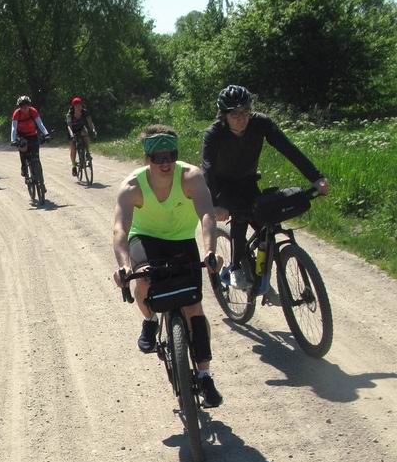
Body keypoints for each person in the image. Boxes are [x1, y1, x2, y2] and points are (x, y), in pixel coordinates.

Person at [112, 125, 223, 407]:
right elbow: (120, 231)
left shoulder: (191, 178)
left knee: (193, 307)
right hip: (146, 239)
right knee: (144, 279)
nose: (164, 163)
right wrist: (124, 266)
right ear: (146, 158)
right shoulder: (132, 187)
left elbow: (208, 216)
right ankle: (149, 321)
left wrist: (210, 251)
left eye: (170, 155)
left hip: (182, 240)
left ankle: (206, 376)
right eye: (157, 157)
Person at [201, 85, 329, 290]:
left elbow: (288, 149)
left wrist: (316, 178)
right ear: (223, 115)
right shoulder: (214, 134)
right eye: (235, 114)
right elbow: (207, 169)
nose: (242, 118)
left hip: (247, 180)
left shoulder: (261, 123)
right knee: (241, 214)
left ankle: (261, 277)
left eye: (245, 112)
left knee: (265, 222)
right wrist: (214, 205)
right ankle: (235, 267)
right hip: (221, 184)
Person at [10, 95, 50, 180]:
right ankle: (24, 166)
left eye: (26, 105)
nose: (24, 107)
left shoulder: (33, 111)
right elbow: (14, 128)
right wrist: (13, 140)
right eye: (22, 105)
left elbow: (40, 124)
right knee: (23, 148)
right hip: (21, 135)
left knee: (36, 157)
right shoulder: (17, 113)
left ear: (29, 105)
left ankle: (41, 181)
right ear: (19, 106)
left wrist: (46, 134)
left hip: (32, 134)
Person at [66, 96, 97, 176]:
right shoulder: (70, 114)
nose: (78, 107)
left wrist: (93, 130)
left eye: (79, 105)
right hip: (72, 130)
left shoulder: (84, 112)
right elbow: (69, 126)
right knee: (73, 148)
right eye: (76, 105)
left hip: (81, 128)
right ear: (73, 106)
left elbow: (90, 122)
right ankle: (74, 166)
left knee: (86, 135)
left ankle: (87, 152)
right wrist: (72, 135)